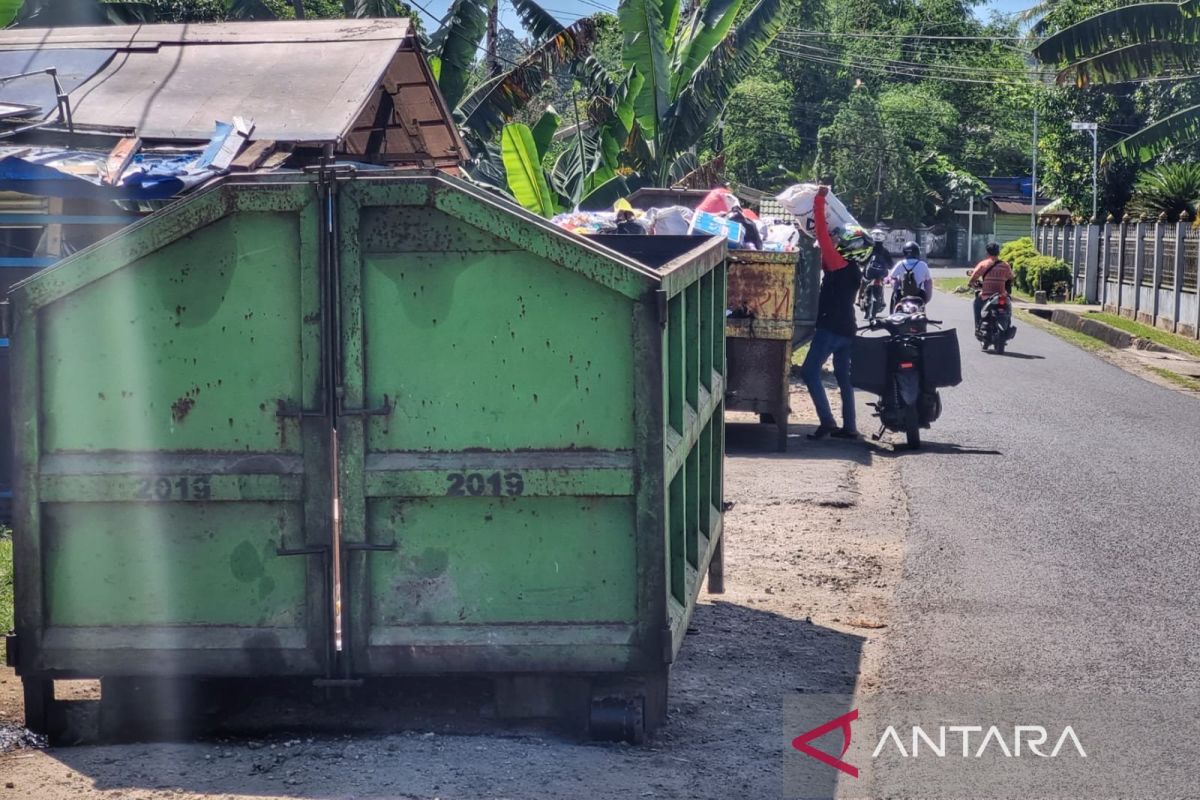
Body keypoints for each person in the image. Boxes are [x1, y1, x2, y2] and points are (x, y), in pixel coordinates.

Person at [799, 186, 870, 441]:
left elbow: (820, 232)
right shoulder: (852, 269)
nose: (836, 241)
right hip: (848, 328)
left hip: (830, 328)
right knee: (843, 378)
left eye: (841, 241)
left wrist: (819, 200)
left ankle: (827, 421)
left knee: (809, 372)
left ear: (848, 247)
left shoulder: (837, 264)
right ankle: (849, 427)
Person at [967, 242, 1015, 330]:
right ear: (998, 252)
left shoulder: (983, 264)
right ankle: (1008, 324)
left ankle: (978, 326)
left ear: (987, 252)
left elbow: (973, 278)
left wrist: (971, 284)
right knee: (1008, 304)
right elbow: (1011, 277)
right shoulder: (1005, 265)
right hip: (1001, 295)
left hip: (987, 296)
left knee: (976, 303)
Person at [888, 241, 933, 310]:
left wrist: (895, 287)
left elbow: (892, 277)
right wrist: (928, 297)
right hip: (919, 294)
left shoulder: (900, 264)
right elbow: (928, 282)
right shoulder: (923, 265)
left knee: (896, 301)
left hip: (902, 294)